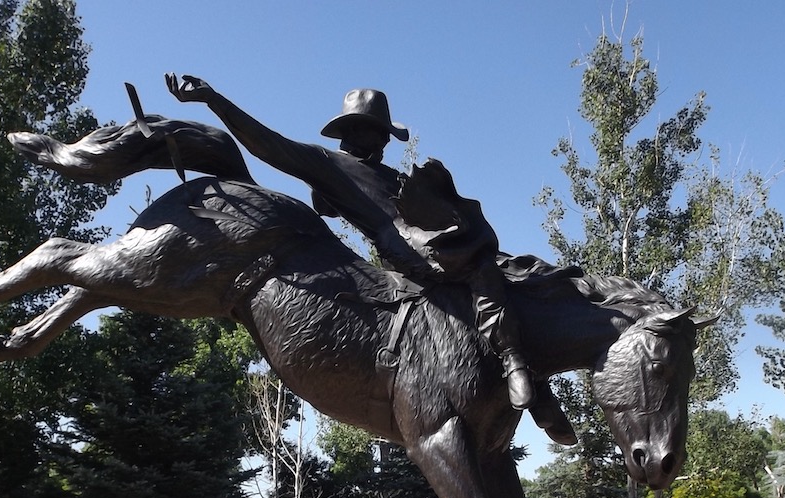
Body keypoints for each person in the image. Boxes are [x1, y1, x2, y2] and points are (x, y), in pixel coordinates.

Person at [164, 75, 575, 444]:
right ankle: (516, 362)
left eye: (379, 133)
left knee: (522, 275)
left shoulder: (396, 178)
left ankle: (539, 387)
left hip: (441, 242)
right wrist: (214, 100)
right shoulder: (330, 164)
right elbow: (268, 143)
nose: (376, 140)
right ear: (354, 132)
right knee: (481, 267)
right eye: (368, 131)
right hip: (411, 251)